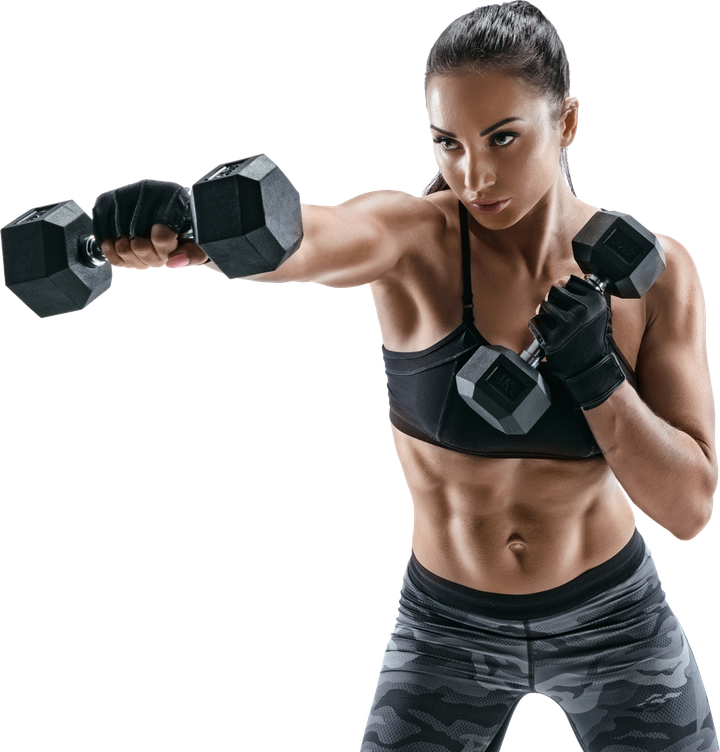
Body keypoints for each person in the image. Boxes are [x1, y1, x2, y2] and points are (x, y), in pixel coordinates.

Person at [92, 3, 717, 749]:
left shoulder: (656, 273)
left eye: (503, 137)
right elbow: (316, 238)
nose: (474, 174)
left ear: (569, 121)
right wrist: (196, 225)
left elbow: (689, 509)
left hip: (614, 615)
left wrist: (597, 378)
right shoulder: (417, 241)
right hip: (449, 626)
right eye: (447, 143)